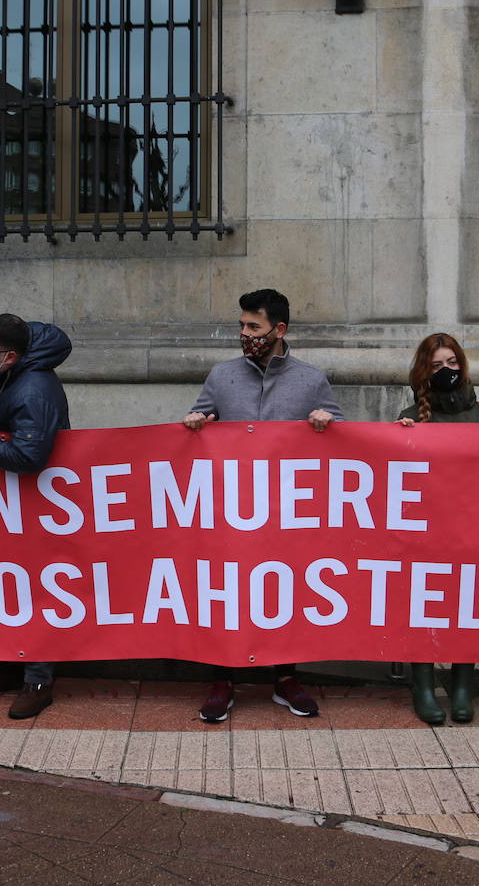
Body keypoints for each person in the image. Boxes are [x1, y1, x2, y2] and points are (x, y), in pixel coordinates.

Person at [183, 288, 344, 724]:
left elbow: (348, 441)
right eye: (241, 325)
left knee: (285, 590)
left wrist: (330, 424)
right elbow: (198, 424)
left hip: (288, 514)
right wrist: (197, 423)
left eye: (253, 326)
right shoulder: (222, 375)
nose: (245, 333)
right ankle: (222, 679)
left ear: (279, 329)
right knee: (226, 590)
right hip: (231, 509)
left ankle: (286, 678)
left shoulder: (311, 380)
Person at [395, 332, 479, 725]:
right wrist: (395, 439)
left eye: (452, 363)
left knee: (470, 604)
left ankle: (464, 684)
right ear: (423, 372)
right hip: (427, 528)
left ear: (462, 366)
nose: (446, 370)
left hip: (475, 527)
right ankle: (424, 685)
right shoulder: (412, 416)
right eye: (436, 366)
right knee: (424, 605)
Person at [0, 313, 72, 720]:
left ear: (10, 355)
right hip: (15, 505)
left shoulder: (34, 389)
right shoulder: (22, 374)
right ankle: (15, 667)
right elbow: (4, 406)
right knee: (12, 587)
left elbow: (29, 455)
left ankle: (38, 681)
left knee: (36, 590)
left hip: (35, 503)